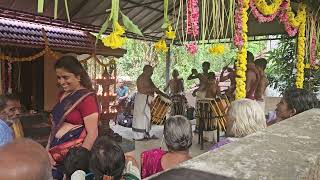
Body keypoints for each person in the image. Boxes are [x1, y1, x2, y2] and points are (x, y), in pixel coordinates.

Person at [47, 56, 99, 179]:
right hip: (56, 148)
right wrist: (47, 150)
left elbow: (92, 133)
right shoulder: (62, 95)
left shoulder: (87, 99)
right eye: (59, 78)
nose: (61, 82)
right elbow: (56, 126)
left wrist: (78, 162)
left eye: (66, 77)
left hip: (74, 154)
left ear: (78, 76)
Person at [132, 65, 166, 140]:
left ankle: (146, 134)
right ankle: (138, 136)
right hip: (141, 100)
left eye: (152, 71)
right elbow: (141, 90)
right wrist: (152, 89)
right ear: (145, 70)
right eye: (150, 71)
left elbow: (155, 89)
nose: (152, 73)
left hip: (147, 100)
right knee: (140, 118)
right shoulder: (140, 78)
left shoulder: (149, 79)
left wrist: (164, 95)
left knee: (147, 118)